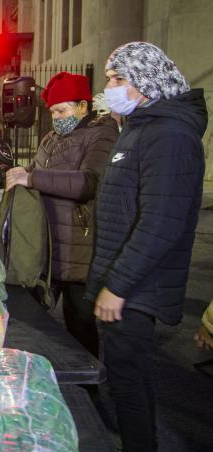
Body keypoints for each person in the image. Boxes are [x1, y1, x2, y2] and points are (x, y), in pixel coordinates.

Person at [86, 42, 207, 452]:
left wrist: (117, 286)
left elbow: (160, 224)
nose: (110, 87)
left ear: (149, 83)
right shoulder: (139, 127)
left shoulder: (170, 135)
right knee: (126, 379)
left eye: (120, 79)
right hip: (127, 281)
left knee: (129, 384)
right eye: (109, 78)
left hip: (137, 288)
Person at [4, 72, 118, 357]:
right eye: (52, 111)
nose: (56, 117)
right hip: (47, 244)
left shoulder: (102, 134)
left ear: (83, 106)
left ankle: (88, 390)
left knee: (79, 323)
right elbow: (36, 171)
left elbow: (89, 183)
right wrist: (22, 173)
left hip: (79, 247)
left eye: (61, 110)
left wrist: (33, 179)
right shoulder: (50, 138)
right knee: (33, 321)